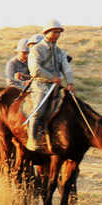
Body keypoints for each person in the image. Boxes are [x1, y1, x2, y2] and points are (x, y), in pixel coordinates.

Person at [27, 20, 73, 150]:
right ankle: (32, 139)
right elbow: (35, 69)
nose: (57, 34)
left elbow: (66, 67)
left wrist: (70, 82)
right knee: (39, 109)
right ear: (46, 33)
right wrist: (52, 77)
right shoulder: (37, 49)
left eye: (59, 32)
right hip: (41, 84)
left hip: (56, 85)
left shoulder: (60, 52)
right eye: (55, 32)